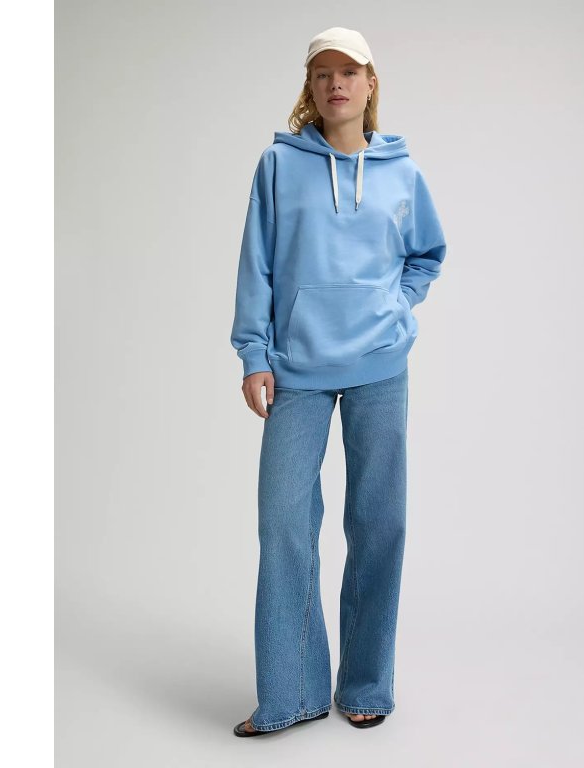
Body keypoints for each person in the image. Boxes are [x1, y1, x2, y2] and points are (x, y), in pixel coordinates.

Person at [230, 26, 447, 736]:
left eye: (348, 72)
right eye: (322, 73)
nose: (335, 84)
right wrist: (254, 354)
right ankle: (291, 693)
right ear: (310, 86)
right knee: (284, 524)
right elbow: (257, 263)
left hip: (381, 365)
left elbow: (426, 255)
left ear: (370, 83)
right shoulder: (278, 165)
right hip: (297, 367)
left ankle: (365, 684)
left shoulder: (400, 171)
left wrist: (395, 306)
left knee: (379, 524)